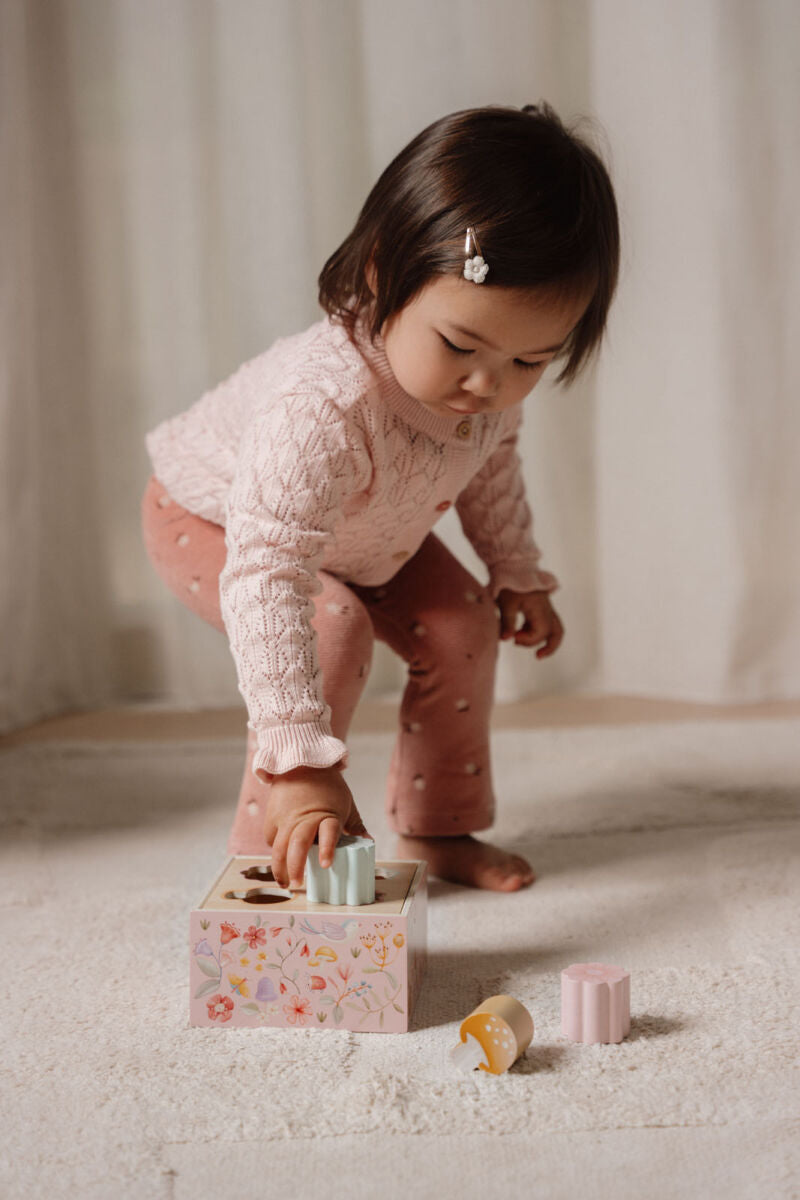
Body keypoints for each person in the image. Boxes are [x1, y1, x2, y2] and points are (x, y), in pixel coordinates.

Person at [141, 102, 619, 894]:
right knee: (332, 627)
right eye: (459, 346)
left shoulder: (489, 394)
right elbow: (269, 575)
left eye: (530, 361)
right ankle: (272, 842)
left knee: (463, 622)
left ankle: (440, 828)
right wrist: (299, 757)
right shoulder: (320, 408)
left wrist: (515, 566)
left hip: (362, 531)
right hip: (216, 518)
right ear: (378, 275)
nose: (487, 385)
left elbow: (491, 469)